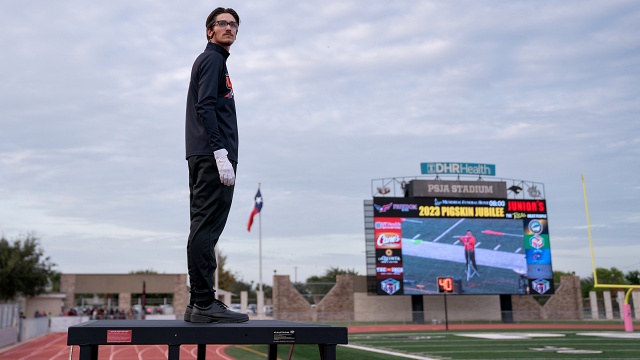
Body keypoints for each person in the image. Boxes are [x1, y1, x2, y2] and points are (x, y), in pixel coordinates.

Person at [183, 7, 248, 323]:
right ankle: (205, 303)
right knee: (207, 227)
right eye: (222, 23)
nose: (229, 28)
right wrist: (220, 153)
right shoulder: (211, 60)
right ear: (209, 30)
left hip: (205, 154)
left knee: (202, 226)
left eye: (234, 24)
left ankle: (198, 302)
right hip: (212, 155)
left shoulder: (216, 61)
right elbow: (205, 106)